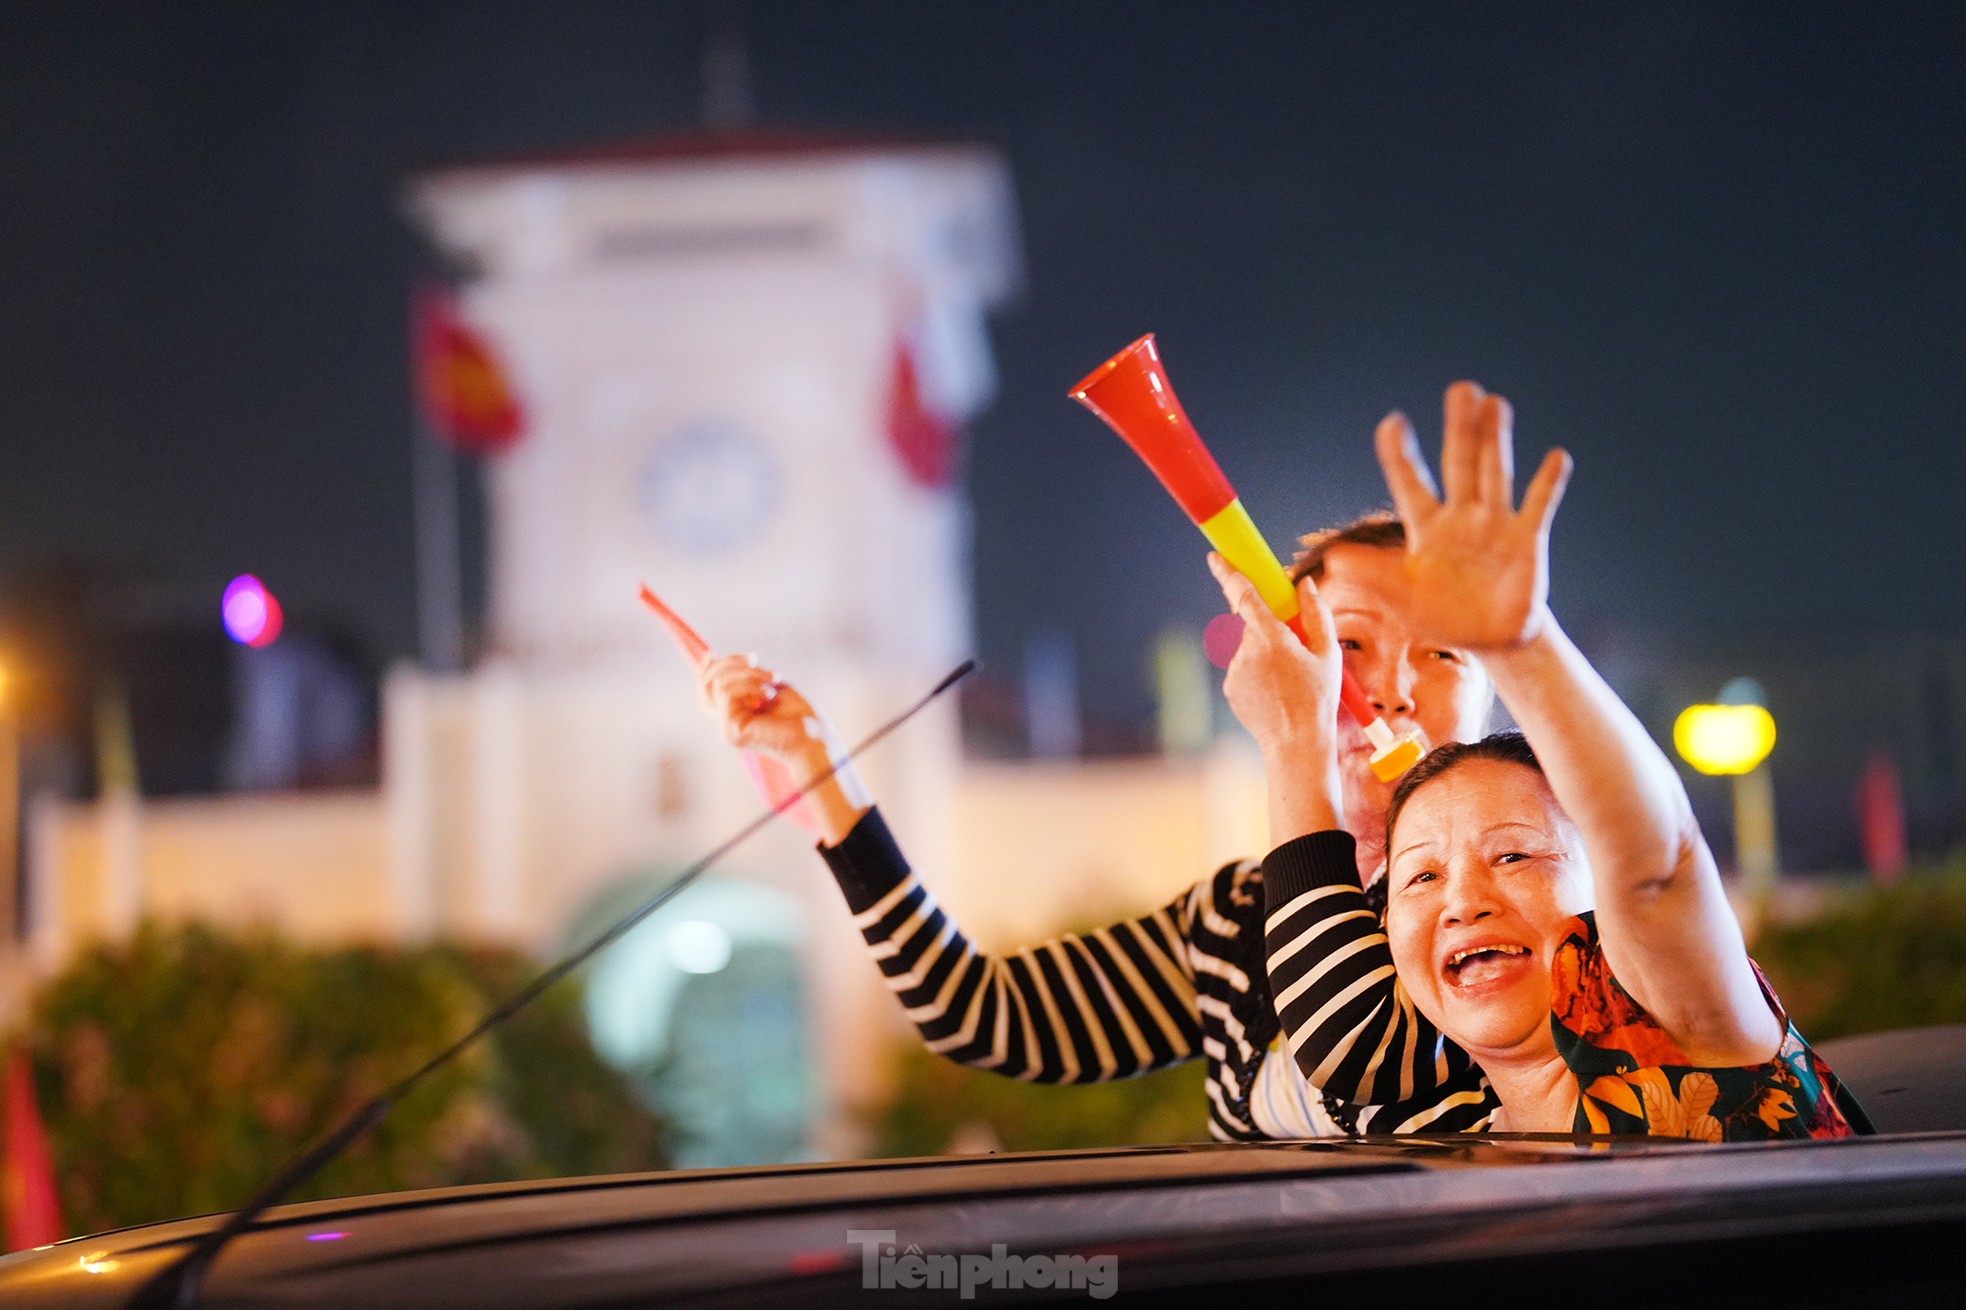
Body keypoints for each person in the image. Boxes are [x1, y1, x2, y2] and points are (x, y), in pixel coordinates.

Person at [696, 510, 1496, 1141]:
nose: (1388, 689)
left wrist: (1295, 748)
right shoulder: (1232, 921)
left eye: (1445, 655)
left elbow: (1362, 1058)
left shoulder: (1514, 900)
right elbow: (979, 1012)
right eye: (1347, 644)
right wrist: (820, 770)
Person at [1219, 381, 1870, 1138]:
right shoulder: (1466, 1157)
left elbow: (1658, 859)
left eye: (1515, 856)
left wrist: (1520, 644)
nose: (1464, 900)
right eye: (1421, 875)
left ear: (1599, 889)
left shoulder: (1674, 1030)